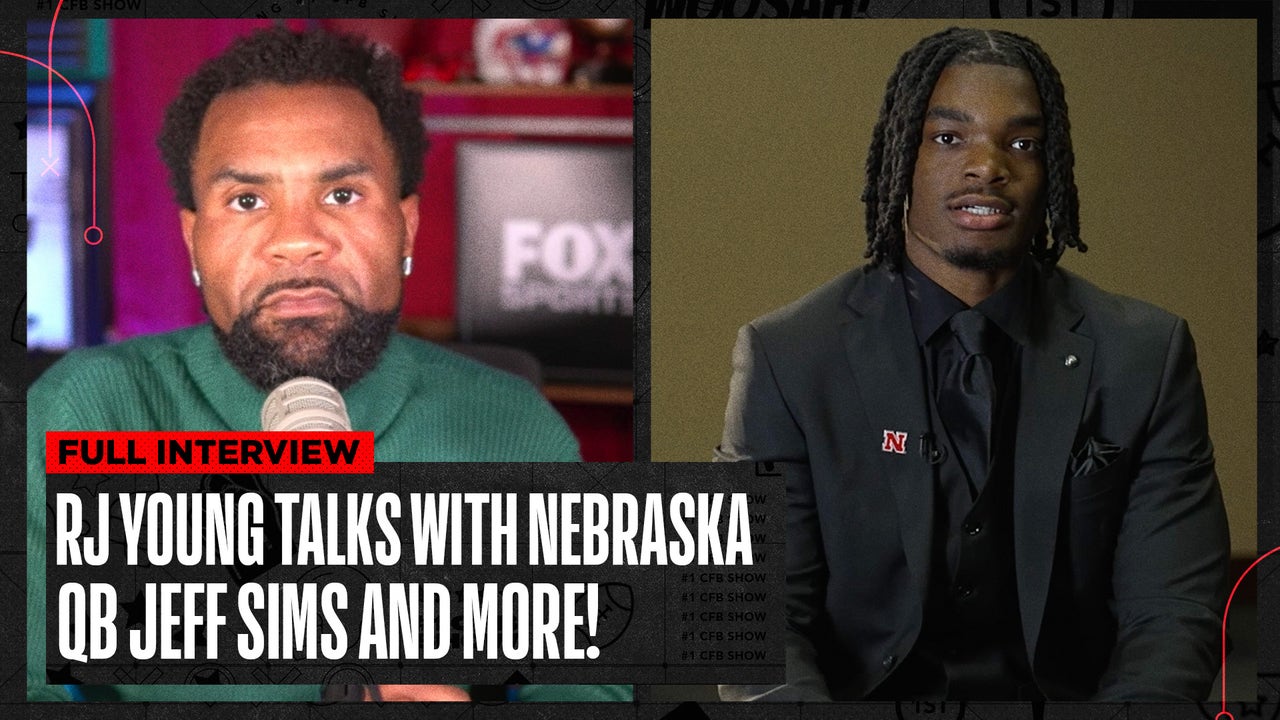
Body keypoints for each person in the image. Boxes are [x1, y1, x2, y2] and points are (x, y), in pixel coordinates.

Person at [27, 27, 626, 703]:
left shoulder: (516, 432)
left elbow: (593, 687)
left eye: (341, 194)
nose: (297, 240)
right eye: (248, 200)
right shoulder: (85, 414)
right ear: (194, 241)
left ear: (407, 228)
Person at [715, 27, 1230, 702]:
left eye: (1023, 144)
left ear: (1053, 170)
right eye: (949, 138)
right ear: (903, 156)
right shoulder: (786, 355)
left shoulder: (1147, 353)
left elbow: (1172, 617)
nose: (989, 165)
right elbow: (757, 623)